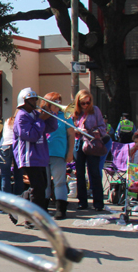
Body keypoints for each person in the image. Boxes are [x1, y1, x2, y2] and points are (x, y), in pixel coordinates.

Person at [11, 88, 57, 227]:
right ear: (23, 102)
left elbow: (51, 128)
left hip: (40, 155)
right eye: (31, 100)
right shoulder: (22, 116)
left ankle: (19, 202)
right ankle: (31, 219)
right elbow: (30, 135)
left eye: (35, 99)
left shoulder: (35, 114)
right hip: (28, 156)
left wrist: (51, 114)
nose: (34, 102)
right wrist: (41, 120)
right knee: (38, 187)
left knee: (41, 187)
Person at [72, 90, 110, 213]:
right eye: (83, 103)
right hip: (79, 143)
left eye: (88, 102)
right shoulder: (74, 112)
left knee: (94, 172)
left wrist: (95, 131)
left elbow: (103, 127)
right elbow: (70, 127)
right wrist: (76, 130)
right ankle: (82, 201)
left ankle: (98, 202)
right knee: (80, 173)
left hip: (92, 143)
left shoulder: (95, 110)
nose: (85, 105)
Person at [43, 92, 74, 220]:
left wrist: (70, 152)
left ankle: (61, 210)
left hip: (59, 153)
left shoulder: (65, 116)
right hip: (43, 154)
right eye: (55, 101)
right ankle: (43, 209)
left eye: (59, 101)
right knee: (44, 183)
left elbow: (71, 135)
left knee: (59, 182)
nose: (59, 104)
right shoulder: (43, 116)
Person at [0, 114, 24, 195]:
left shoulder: (7, 121)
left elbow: (4, 136)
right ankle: (18, 198)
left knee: (5, 175)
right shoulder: (21, 120)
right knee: (18, 175)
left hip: (5, 146)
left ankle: (6, 200)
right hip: (16, 146)